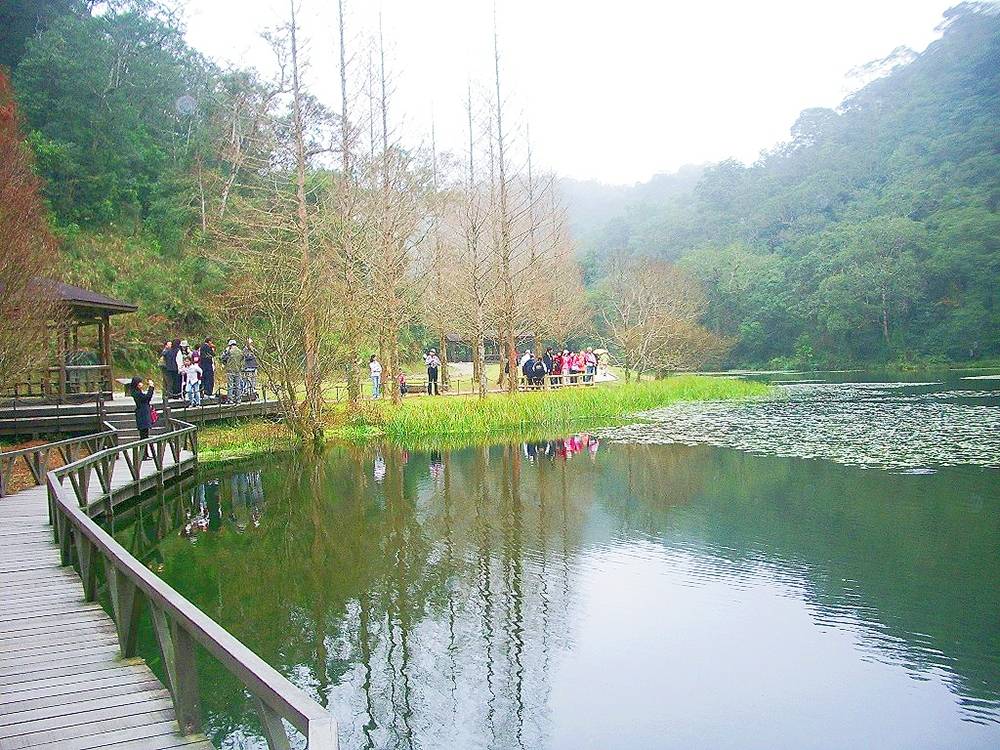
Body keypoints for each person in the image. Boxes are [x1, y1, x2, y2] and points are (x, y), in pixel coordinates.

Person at [128, 376, 155, 459]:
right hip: (142, 415)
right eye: (140, 382)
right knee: (143, 435)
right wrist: (151, 387)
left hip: (143, 413)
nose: (141, 384)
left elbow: (146, 399)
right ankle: (143, 454)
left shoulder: (137, 391)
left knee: (145, 435)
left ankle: (145, 454)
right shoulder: (136, 393)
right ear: (136, 384)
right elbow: (146, 398)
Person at [221, 339, 245, 403]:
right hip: (238, 370)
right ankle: (238, 399)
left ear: (230, 345)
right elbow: (242, 360)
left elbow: (222, 358)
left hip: (230, 370)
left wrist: (226, 363)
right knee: (238, 385)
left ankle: (230, 400)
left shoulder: (229, 351)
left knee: (230, 386)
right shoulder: (240, 351)